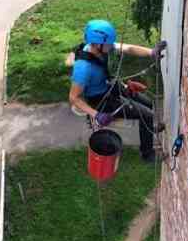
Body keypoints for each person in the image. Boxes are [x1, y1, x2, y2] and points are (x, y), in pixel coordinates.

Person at [68, 20, 167, 163]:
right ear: (97, 44)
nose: (111, 46)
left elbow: (128, 48)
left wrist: (152, 52)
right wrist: (97, 115)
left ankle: (149, 127)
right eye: (108, 44)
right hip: (102, 101)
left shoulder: (100, 47)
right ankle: (147, 155)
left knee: (148, 103)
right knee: (147, 115)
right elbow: (73, 97)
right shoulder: (83, 68)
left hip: (110, 86)